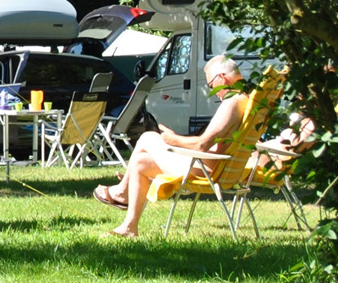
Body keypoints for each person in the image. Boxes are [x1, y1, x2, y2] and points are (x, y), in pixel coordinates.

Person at [93, 54, 249, 238]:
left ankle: (121, 191)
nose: (212, 91)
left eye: (211, 86)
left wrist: (174, 139)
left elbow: (202, 144)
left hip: (205, 169)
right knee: (141, 162)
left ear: (222, 78)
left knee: (148, 137)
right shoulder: (245, 100)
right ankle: (129, 227)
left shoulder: (231, 104)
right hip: (217, 165)